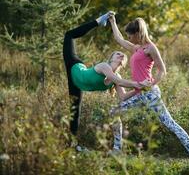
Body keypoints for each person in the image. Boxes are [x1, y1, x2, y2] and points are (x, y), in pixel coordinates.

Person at [108, 15, 189, 158]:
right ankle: (117, 149)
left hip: (150, 94)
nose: (129, 38)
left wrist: (152, 83)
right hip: (139, 94)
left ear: (138, 34)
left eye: (130, 36)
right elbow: (119, 39)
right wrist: (113, 21)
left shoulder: (150, 48)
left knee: (169, 123)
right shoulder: (136, 48)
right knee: (114, 112)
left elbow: (162, 70)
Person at [63, 12, 151, 151]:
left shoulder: (118, 77)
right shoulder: (105, 66)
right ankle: (99, 21)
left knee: (75, 111)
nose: (121, 54)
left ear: (123, 64)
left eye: (122, 55)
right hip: (75, 67)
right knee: (69, 35)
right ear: (111, 58)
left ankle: (73, 146)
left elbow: (122, 96)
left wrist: (138, 90)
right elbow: (117, 80)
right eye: (117, 53)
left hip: (78, 84)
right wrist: (138, 84)